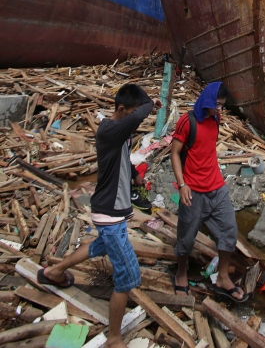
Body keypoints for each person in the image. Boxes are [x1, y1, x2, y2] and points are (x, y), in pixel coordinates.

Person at [38, 83, 160, 348]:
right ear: (121, 110)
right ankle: (114, 338)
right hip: (110, 214)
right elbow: (141, 114)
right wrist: (151, 104)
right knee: (127, 277)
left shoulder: (118, 132)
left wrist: (135, 175)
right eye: (134, 112)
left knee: (99, 246)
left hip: (109, 209)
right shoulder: (111, 129)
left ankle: (56, 270)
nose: (137, 118)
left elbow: (123, 155)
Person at [171, 81, 248, 302]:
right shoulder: (188, 122)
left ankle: (223, 277)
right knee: (186, 236)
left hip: (217, 186)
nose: (220, 109)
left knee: (229, 232)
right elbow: (174, 153)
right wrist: (182, 184)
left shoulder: (216, 118)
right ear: (207, 100)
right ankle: (181, 273)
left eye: (223, 105)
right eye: (217, 104)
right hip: (193, 189)